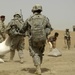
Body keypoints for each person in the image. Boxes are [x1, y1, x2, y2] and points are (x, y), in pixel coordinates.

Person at [20, 4, 53, 75]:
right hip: (43, 39)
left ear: (33, 10)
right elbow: (49, 28)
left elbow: (23, 29)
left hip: (33, 39)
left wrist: (22, 31)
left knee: (35, 53)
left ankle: (38, 69)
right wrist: (45, 33)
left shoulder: (29, 18)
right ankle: (39, 67)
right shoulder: (45, 18)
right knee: (40, 53)